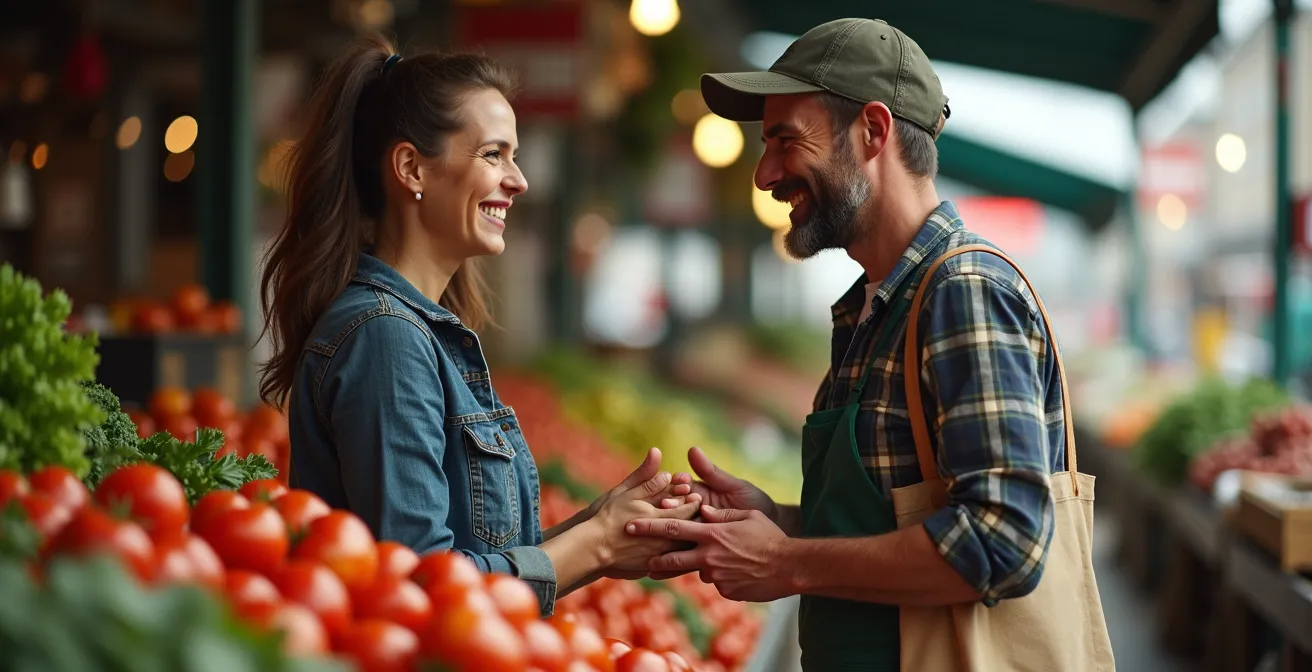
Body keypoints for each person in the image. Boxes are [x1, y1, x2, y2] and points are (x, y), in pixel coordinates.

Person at [629, 18, 1075, 669]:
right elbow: (897, 520)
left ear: (873, 130)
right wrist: (782, 521)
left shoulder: (963, 290)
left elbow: (1003, 541)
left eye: (786, 140)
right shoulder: (873, 307)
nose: (764, 175)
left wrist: (786, 561)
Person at [257, 35, 699, 615]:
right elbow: (420, 582)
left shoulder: (413, 329)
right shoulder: (386, 338)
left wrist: (603, 527)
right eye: (494, 155)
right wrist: (593, 544)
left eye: (514, 156)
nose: (518, 180)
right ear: (411, 168)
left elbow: (469, 561)